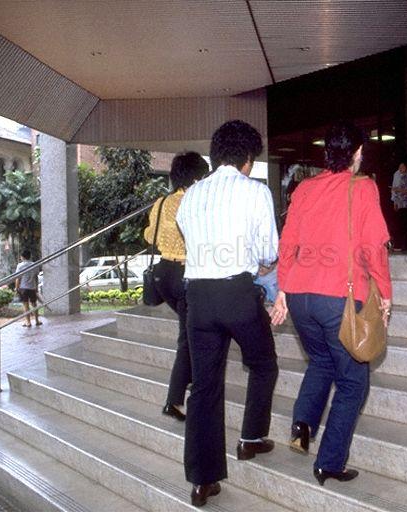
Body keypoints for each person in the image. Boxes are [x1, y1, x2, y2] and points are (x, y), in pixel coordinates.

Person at [270, 120, 392, 486]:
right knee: (353, 383)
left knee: (321, 361)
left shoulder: (305, 188)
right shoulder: (363, 187)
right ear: (357, 152)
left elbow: (287, 243)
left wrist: (282, 289)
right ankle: (330, 462)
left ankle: (302, 424)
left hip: (301, 297)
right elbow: (374, 248)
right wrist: (385, 294)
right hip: (339, 297)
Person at [176, 120, 279, 507]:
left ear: (216, 154)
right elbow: (269, 251)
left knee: (204, 387)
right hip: (238, 294)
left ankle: (202, 481)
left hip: (198, 300)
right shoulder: (255, 191)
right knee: (263, 364)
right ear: (247, 158)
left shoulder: (191, 194)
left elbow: (188, 237)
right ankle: (251, 438)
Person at [143, 151, 209, 422]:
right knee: (187, 339)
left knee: (189, 331)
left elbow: (150, 236)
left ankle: (188, 379)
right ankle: (174, 399)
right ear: (195, 177)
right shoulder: (196, 202)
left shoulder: (161, 203)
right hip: (186, 273)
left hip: (163, 275)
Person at [15, 249, 41, 327]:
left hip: (23, 288)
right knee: (34, 304)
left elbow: (18, 278)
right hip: (32, 287)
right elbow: (36, 277)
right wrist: (36, 287)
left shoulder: (20, 266)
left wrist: (16, 288)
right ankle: (37, 320)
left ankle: (28, 322)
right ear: (30, 256)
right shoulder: (34, 265)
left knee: (26, 305)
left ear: (22, 257)